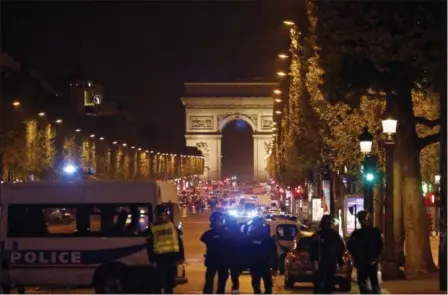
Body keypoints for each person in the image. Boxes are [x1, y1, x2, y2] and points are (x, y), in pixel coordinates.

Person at [147, 204, 185, 294]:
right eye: (161, 215)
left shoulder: (172, 226)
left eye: (164, 214)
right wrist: (152, 259)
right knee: (160, 282)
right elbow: (150, 245)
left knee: (170, 282)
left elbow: (179, 242)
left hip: (172, 257)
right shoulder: (154, 228)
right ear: (157, 216)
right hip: (161, 258)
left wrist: (181, 257)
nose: (163, 217)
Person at [347, 210, 383, 294]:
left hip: (366, 262)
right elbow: (379, 246)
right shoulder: (359, 233)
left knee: (368, 284)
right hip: (366, 262)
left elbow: (379, 246)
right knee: (369, 284)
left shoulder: (359, 233)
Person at [309, 214, 346, 294]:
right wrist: (340, 263)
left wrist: (314, 261)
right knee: (326, 287)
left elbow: (338, 249)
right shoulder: (331, 235)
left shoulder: (318, 234)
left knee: (321, 287)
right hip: (327, 264)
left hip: (324, 264)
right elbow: (339, 249)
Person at [201, 211, 230, 294]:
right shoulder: (210, 234)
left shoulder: (209, 234)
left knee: (218, 279)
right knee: (212, 279)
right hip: (216, 260)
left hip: (219, 260)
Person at [247, 217, 277, 294]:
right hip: (263, 265)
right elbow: (274, 253)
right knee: (266, 286)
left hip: (258, 265)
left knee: (258, 286)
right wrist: (275, 267)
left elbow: (273, 252)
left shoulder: (251, 238)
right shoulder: (267, 239)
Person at [226, 214, 248, 294]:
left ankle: (235, 287)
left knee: (233, 273)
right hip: (233, 256)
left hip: (233, 256)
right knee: (233, 273)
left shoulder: (229, 231)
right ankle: (235, 287)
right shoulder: (235, 231)